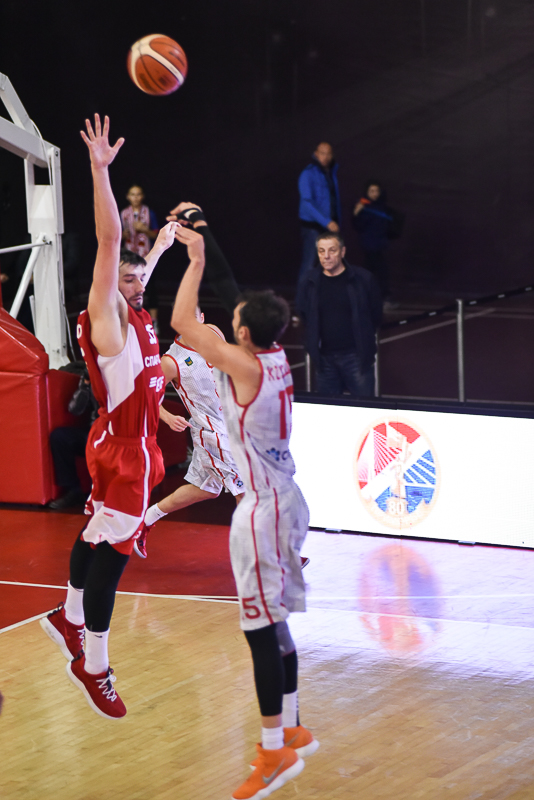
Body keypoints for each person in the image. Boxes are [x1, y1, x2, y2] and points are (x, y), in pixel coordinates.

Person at [169, 224, 318, 800]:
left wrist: (195, 259)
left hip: (263, 511)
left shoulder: (245, 367)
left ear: (245, 334)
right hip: (289, 498)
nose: (227, 325)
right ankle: (294, 724)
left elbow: (182, 322)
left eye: (234, 323)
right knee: (276, 621)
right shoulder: (273, 356)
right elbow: (232, 302)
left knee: (257, 630)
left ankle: (274, 749)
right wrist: (207, 245)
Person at [40, 115, 177, 720]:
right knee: (113, 558)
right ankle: (92, 663)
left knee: (95, 531)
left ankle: (66, 616)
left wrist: (162, 247)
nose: (138, 280)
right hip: (127, 451)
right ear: (108, 288)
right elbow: (110, 243)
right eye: (129, 276)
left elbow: (134, 270)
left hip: (119, 441)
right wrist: (100, 171)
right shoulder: (110, 318)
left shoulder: (133, 309)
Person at [297, 231, 382, 397]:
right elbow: (304, 313)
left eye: (332, 250)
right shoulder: (308, 281)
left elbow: (376, 316)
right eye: (321, 251)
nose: (326, 256)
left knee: (364, 409)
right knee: (328, 410)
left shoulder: (364, 279)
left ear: (342, 252)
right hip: (324, 360)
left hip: (356, 358)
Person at [48, 368, 98, 510]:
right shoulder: (92, 374)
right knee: (60, 437)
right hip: (93, 432)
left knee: (97, 442)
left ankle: (101, 494)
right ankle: (73, 490)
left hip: (114, 433)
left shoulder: (121, 373)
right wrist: (86, 384)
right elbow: (75, 409)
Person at [297, 142, 340, 287]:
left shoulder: (330, 173)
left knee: (326, 266)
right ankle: (302, 298)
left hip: (327, 227)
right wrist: (327, 221)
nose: (325, 157)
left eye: (328, 153)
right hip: (313, 227)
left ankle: (317, 298)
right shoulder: (308, 173)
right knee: (310, 264)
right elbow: (307, 202)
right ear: (316, 154)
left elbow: (333, 201)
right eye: (322, 153)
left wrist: (334, 221)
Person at [352, 180, 401, 303]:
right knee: (379, 272)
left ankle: (366, 297)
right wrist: (356, 213)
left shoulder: (382, 207)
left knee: (373, 272)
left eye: (377, 191)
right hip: (369, 245)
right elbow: (358, 225)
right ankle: (382, 298)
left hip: (379, 245)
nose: (374, 194)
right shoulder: (363, 206)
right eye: (371, 191)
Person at [121, 184, 160, 331]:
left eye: (138, 194)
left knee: (150, 289)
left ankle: (153, 322)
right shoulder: (124, 214)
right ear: (128, 197)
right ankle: (131, 320)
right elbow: (117, 235)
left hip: (145, 257)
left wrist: (145, 230)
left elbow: (156, 234)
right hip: (129, 259)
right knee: (129, 289)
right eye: (132, 194)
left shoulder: (149, 213)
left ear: (142, 196)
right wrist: (123, 235)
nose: (135, 197)